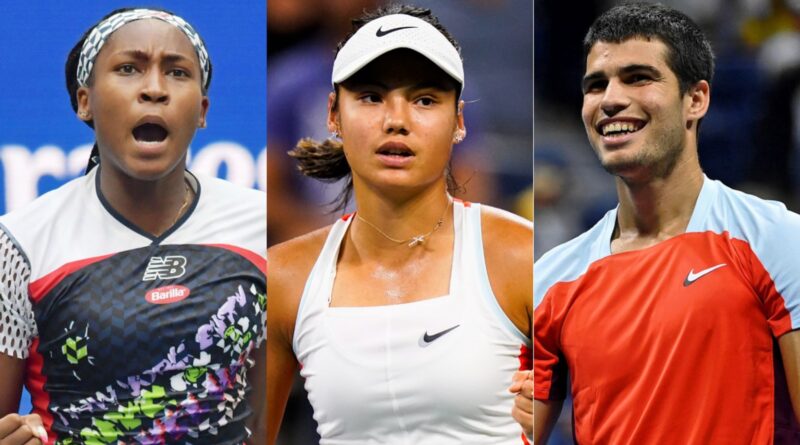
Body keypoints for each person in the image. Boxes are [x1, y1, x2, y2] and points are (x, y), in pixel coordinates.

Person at [534, 3, 800, 444]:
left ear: (695, 99)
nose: (611, 99)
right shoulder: (551, 278)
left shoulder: (777, 239)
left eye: (638, 77)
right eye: (596, 84)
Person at [267, 4, 533, 444]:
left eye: (425, 99)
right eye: (371, 96)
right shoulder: (283, 278)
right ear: (333, 114)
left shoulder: (520, 258)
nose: (397, 120)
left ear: (459, 122)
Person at [0, 8, 266, 444]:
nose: (155, 89)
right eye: (129, 68)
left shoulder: (259, 223)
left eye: (177, 72)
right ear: (84, 100)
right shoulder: (18, 243)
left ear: (201, 110)